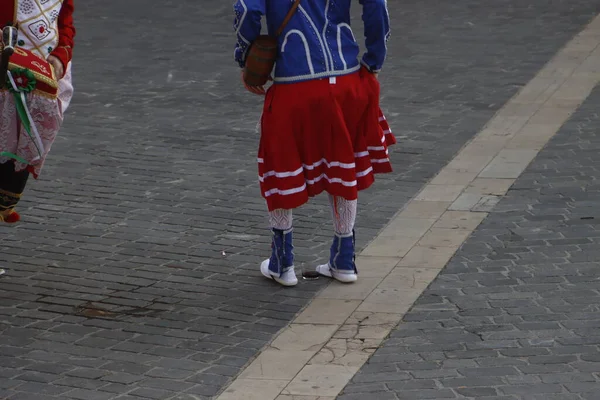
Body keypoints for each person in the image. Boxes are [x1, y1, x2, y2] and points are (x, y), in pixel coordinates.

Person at [233, 0, 394, 286]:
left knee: (280, 165)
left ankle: (283, 264)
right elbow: (377, 4)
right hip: (346, 79)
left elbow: (247, 9)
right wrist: (374, 59)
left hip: (295, 83)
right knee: (343, 163)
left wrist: (245, 55)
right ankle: (344, 260)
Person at [0, 0, 75, 224]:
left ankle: (5, 197)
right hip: (4, 70)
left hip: (41, 77)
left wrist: (61, 56)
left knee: (27, 142)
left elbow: (65, 25)